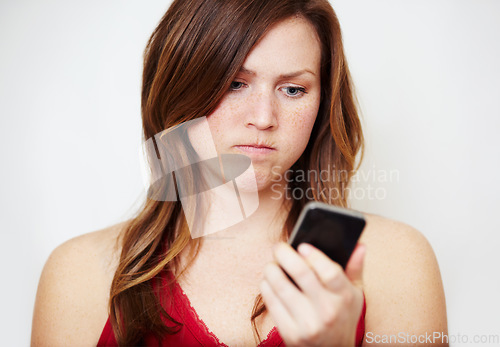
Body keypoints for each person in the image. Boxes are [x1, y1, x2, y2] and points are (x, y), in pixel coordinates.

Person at [31, 0, 448, 346]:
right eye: (234, 83)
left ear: (321, 103)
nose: (264, 118)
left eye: (293, 89)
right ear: (180, 91)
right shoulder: (80, 275)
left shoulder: (395, 261)